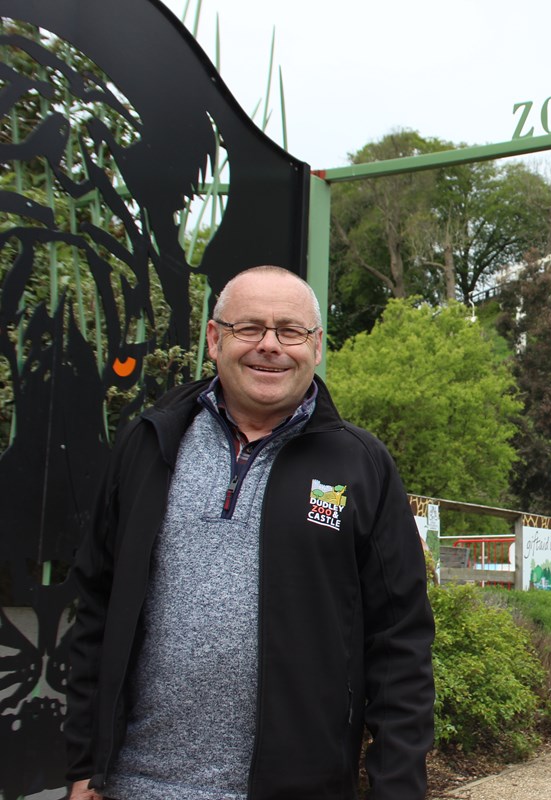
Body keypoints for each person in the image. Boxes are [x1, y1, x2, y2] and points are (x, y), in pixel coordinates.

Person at [64, 266, 435, 799]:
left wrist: (396, 790)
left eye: (290, 331)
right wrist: (84, 764)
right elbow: (96, 610)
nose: (270, 346)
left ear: (317, 347)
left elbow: (400, 643)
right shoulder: (148, 446)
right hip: (132, 785)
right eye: (249, 329)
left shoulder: (361, 466)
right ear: (215, 339)